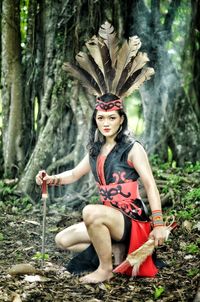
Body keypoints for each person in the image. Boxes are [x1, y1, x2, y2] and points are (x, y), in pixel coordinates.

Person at [36, 22, 166, 284]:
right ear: (96, 119)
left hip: (132, 222)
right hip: (109, 220)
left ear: (121, 119)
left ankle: (105, 268)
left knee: (90, 211)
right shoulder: (96, 149)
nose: (106, 123)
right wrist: (51, 179)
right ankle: (115, 251)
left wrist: (159, 224)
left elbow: (150, 186)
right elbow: (74, 173)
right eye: (101, 118)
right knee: (62, 240)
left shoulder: (133, 148)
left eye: (111, 118)